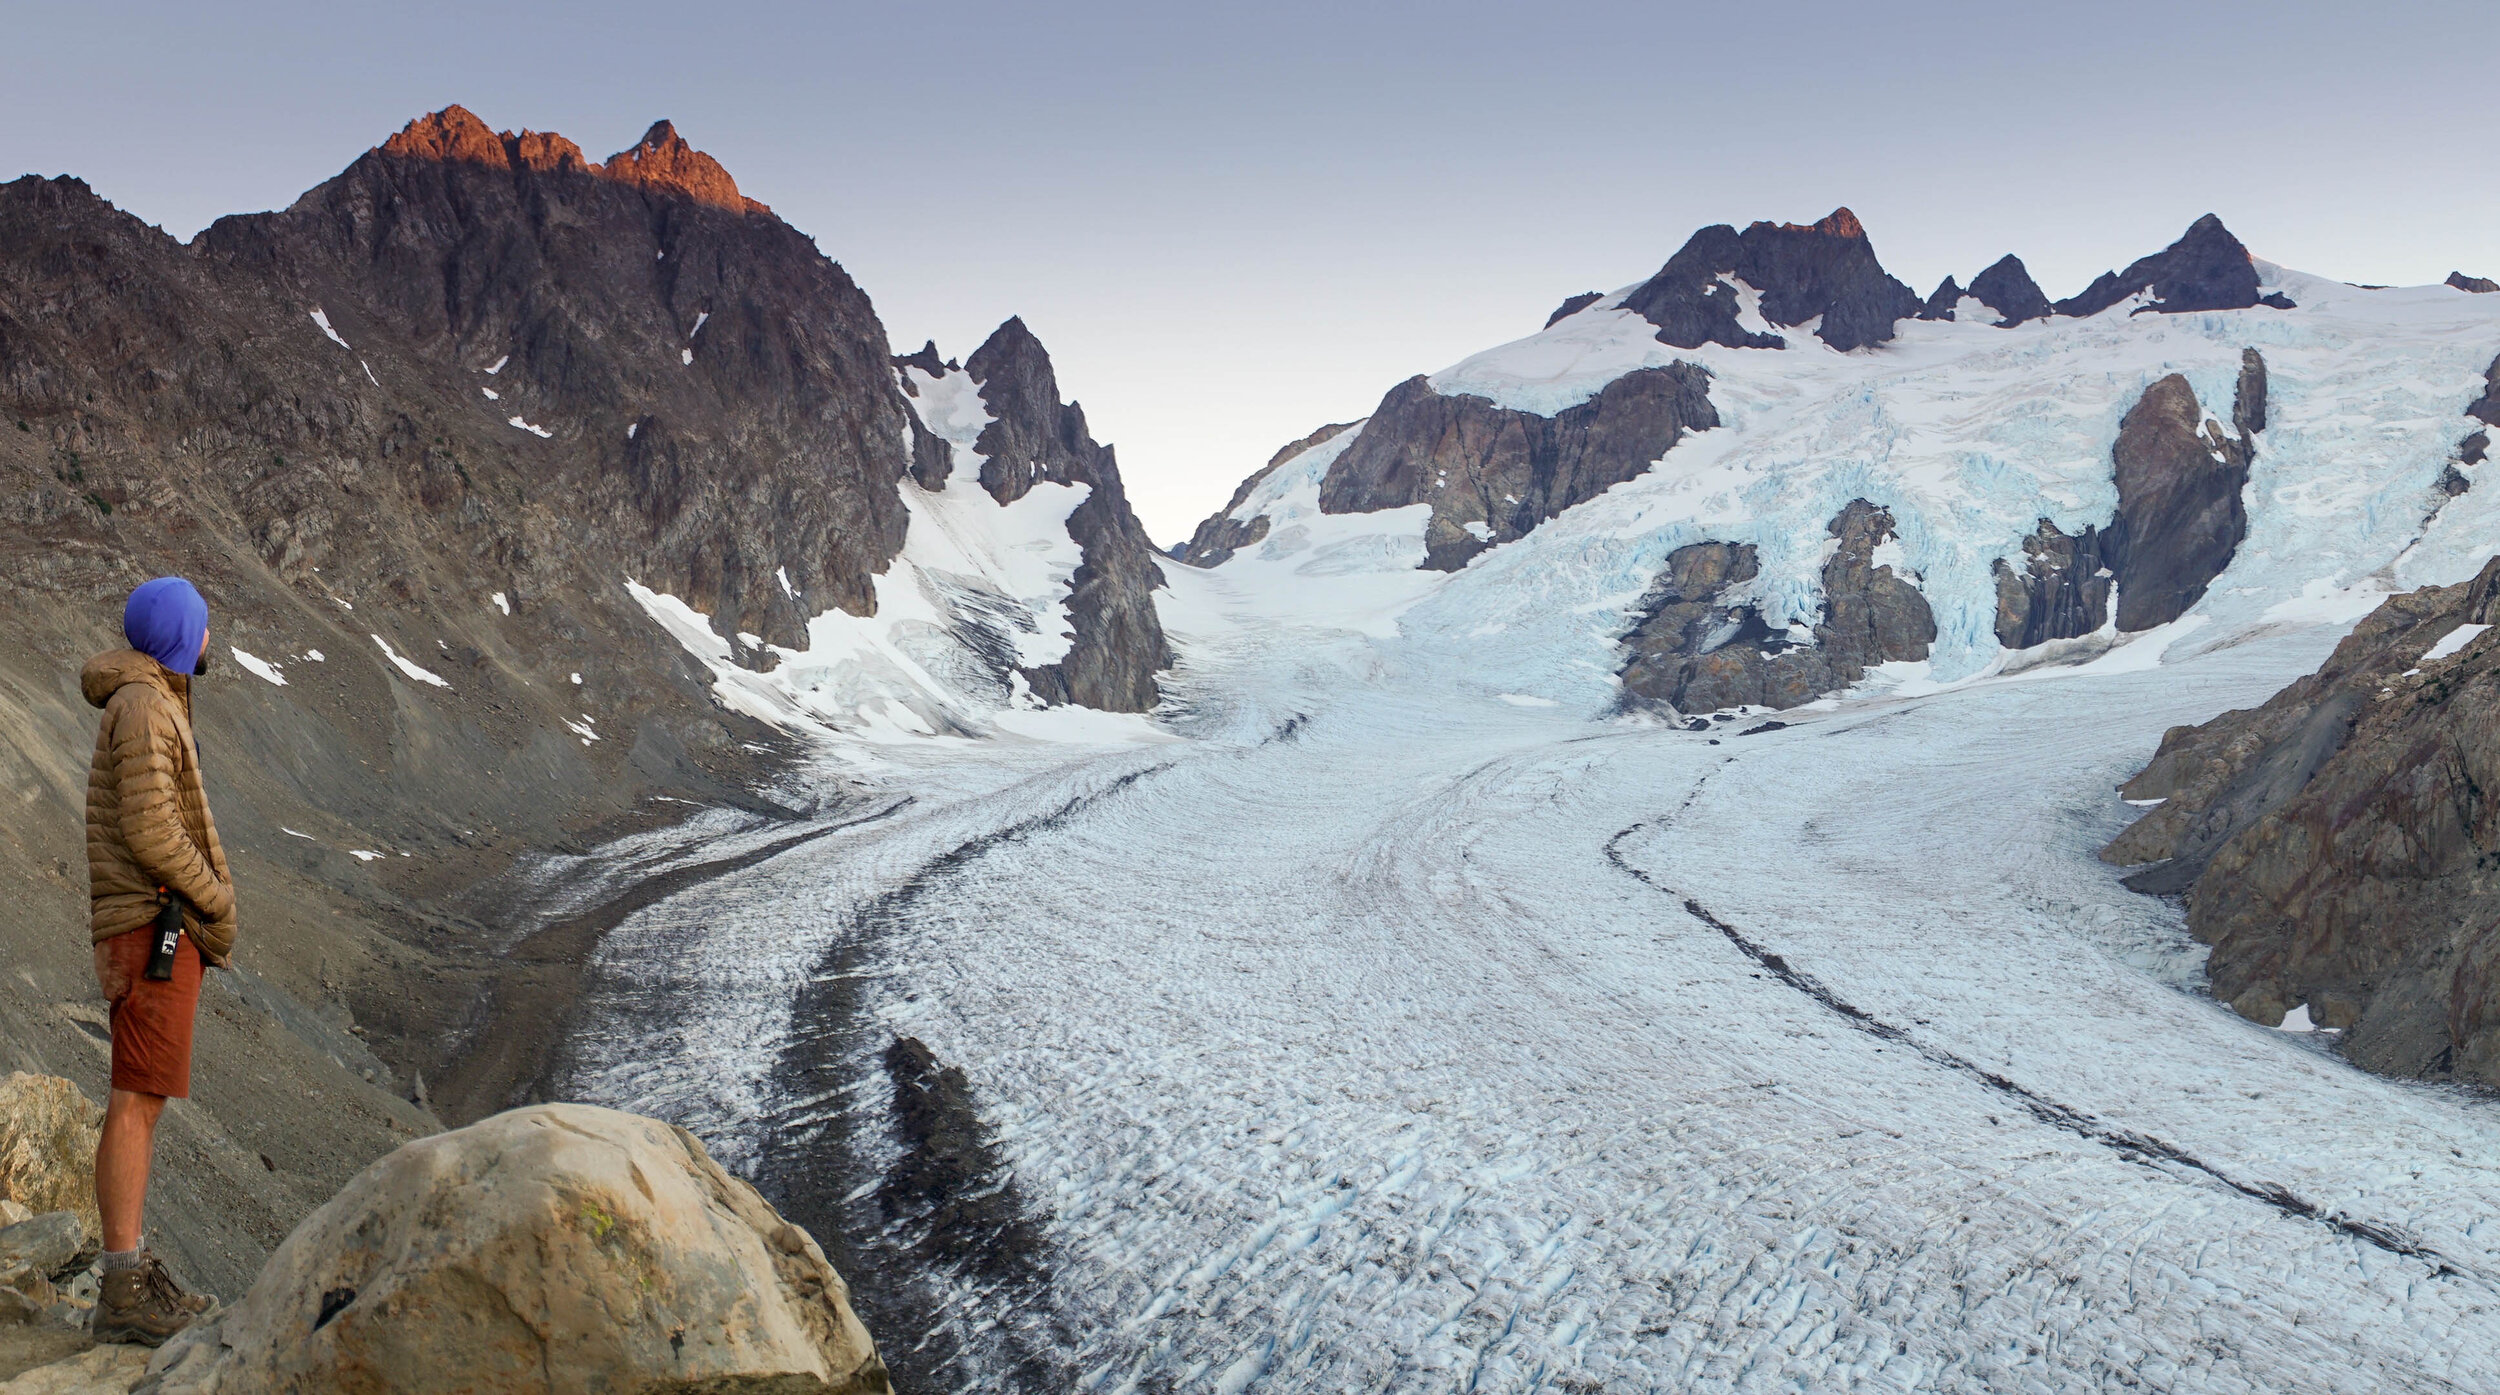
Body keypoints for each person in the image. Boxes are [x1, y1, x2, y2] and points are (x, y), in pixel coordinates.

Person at [80, 576, 236, 1345]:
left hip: (150, 925)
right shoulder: (145, 706)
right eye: (202, 626)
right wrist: (215, 898)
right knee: (136, 1099)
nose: (209, 637)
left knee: (138, 1096)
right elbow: (150, 828)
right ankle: (123, 1291)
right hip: (153, 927)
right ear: (182, 635)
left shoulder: (149, 699)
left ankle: (128, 1276)